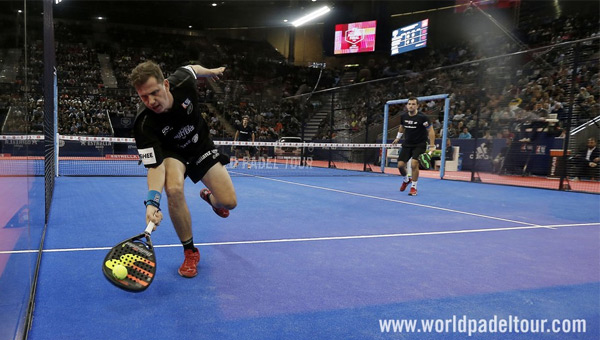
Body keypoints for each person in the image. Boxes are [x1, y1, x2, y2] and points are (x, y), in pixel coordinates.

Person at [130, 61, 237, 278]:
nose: (151, 101)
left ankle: (211, 198)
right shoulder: (144, 124)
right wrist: (152, 202)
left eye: (154, 92)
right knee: (174, 189)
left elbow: (194, 68)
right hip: (172, 154)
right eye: (143, 97)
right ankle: (190, 252)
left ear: (166, 85)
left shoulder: (184, 82)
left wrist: (212, 71)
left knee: (229, 202)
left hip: (200, 145)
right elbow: (155, 167)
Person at [392, 97, 436, 196]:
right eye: (409, 104)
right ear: (407, 105)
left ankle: (413, 187)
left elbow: (430, 130)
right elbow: (402, 126)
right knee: (400, 165)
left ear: (417, 106)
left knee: (414, 164)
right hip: (407, 144)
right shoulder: (403, 116)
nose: (411, 106)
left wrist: (432, 145)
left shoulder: (423, 117)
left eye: (413, 104)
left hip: (420, 144)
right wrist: (397, 138)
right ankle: (406, 180)